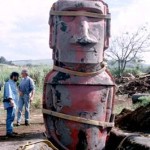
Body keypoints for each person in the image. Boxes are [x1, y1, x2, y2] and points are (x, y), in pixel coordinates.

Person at [3, 72, 19, 137]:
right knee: (10, 117)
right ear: (13, 76)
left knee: (12, 117)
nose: (17, 78)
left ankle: (11, 130)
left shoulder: (13, 83)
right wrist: (11, 101)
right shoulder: (8, 83)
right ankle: (9, 132)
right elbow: (8, 93)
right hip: (10, 102)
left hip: (13, 103)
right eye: (17, 77)